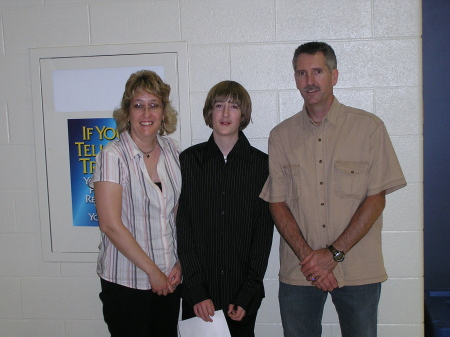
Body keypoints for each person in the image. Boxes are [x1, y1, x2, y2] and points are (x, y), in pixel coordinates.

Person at [259, 42, 407, 337]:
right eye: (301, 73)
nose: (309, 81)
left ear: (334, 76)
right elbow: (277, 203)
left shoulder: (369, 128)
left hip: (358, 269)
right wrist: (311, 260)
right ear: (295, 79)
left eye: (317, 71)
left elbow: (375, 199)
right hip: (300, 272)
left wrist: (332, 255)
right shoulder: (280, 136)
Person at [176, 81, 274, 337]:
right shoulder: (188, 162)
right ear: (210, 112)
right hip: (197, 297)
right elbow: (183, 230)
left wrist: (246, 293)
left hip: (242, 297)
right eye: (219, 106)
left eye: (234, 106)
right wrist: (197, 291)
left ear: (244, 114)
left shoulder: (262, 166)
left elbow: (262, 236)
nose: (226, 113)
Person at [89, 70, 182, 337]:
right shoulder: (112, 156)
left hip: (169, 279)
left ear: (164, 112)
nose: (146, 114)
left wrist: (180, 262)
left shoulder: (172, 150)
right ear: (127, 112)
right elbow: (110, 225)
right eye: (138, 105)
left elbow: (179, 215)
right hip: (127, 283)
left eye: (154, 105)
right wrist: (152, 270)